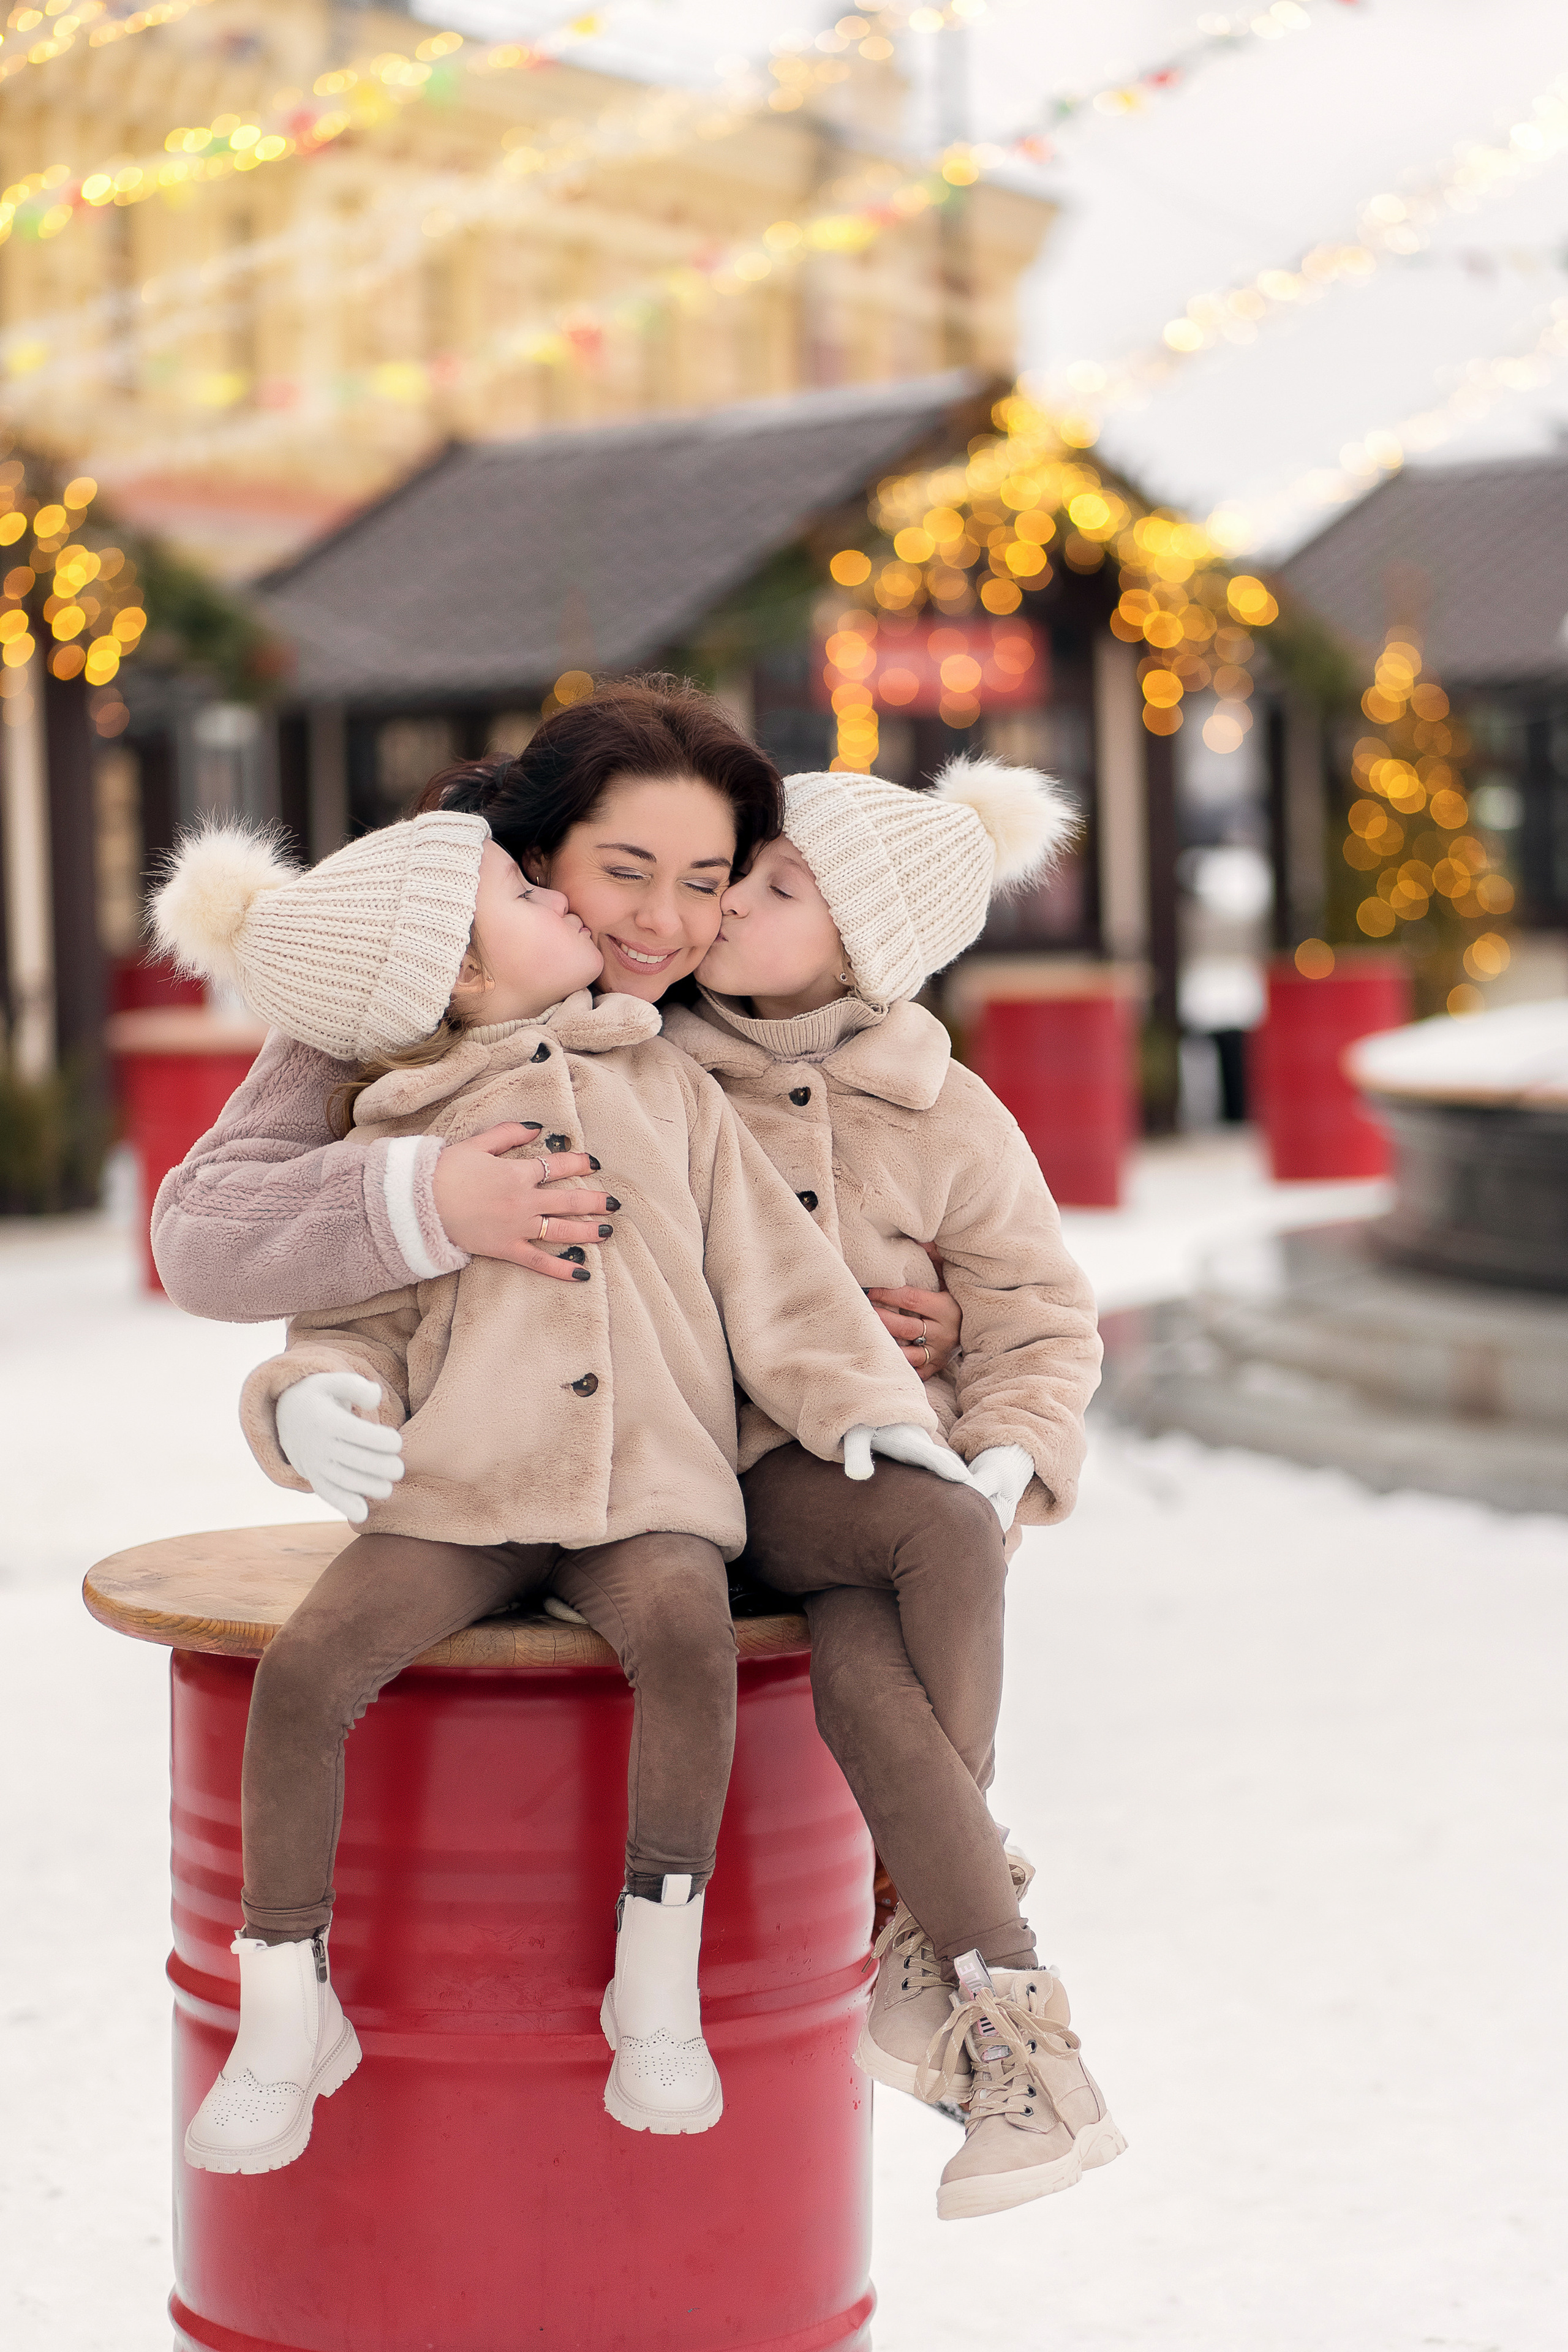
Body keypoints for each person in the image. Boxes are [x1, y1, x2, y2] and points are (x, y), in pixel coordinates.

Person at [151, 683, 1115, 2217]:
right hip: (519, 1469)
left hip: (740, 1466)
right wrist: (421, 1204)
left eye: (715, 878)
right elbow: (208, 1236)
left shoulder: (744, 1036)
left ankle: (948, 1950)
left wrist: (921, 1360)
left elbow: (845, 1252)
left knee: (900, 1573)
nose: (668, 923)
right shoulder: (420, 969)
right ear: (531, 859)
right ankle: (956, 1949)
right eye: (619, 874)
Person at [662, 752, 1120, 2220]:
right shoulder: (655, 1073)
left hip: (893, 1510)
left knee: (875, 1670)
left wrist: (1005, 1433)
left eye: (779, 885)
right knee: (936, 1529)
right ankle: (967, 1945)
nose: (732, 900)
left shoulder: (944, 1109)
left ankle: (1001, 2033)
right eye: (738, 871)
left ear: (863, 938)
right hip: (731, 1476)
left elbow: (1041, 1315)